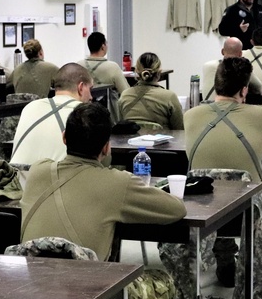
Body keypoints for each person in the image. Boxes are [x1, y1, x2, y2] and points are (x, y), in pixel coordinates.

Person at [19, 102, 186, 262]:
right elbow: (177, 209)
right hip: (88, 289)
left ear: (64, 137)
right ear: (106, 148)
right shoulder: (118, 183)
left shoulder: (38, 170)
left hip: (31, 285)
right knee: (160, 279)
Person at [185, 56, 262, 182]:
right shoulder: (261, 115)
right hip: (249, 199)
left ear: (216, 85)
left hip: (201, 198)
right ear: (244, 91)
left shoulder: (190, 115)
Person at [10, 63, 92, 169]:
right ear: (80, 87)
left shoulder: (30, 107)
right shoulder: (83, 114)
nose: (91, 96)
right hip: (56, 182)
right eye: (90, 89)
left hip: (17, 181)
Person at [118, 52, 184, 130]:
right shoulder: (169, 96)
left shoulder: (125, 95)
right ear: (159, 72)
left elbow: (120, 123)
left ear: (136, 71)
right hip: (162, 142)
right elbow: (179, 130)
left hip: (128, 142)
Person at [202, 37, 262, 102]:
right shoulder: (241, 68)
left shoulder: (207, 66)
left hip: (206, 107)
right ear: (240, 54)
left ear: (222, 51)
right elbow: (258, 88)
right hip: (228, 108)